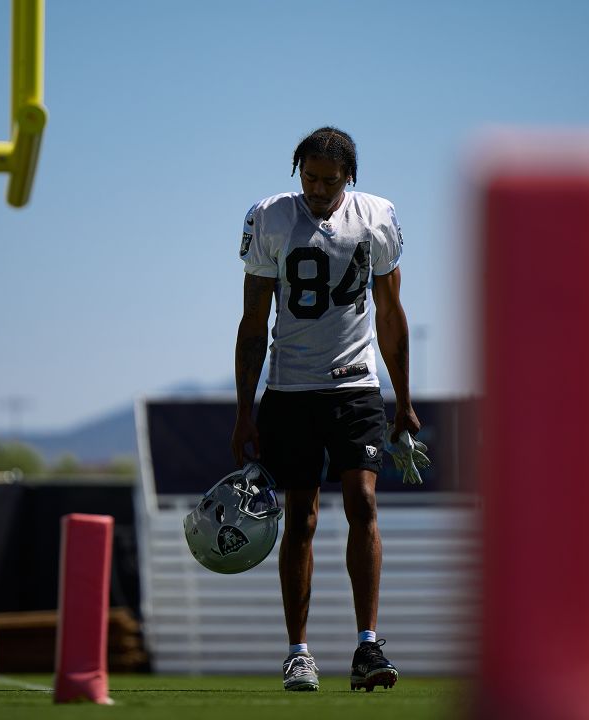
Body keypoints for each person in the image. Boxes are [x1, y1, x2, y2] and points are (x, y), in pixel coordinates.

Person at [230, 126, 421, 692]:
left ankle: (367, 644)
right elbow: (251, 322)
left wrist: (403, 401)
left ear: (349, 178)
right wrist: (245, 409)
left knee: (363, 501)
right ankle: (299, 651)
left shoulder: (376, 216)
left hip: (355, 384)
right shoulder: (270, 216)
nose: (316, 188)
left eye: (328, 179)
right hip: (289, 388)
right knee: (302, 517)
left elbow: (391, 314)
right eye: (309, 177)